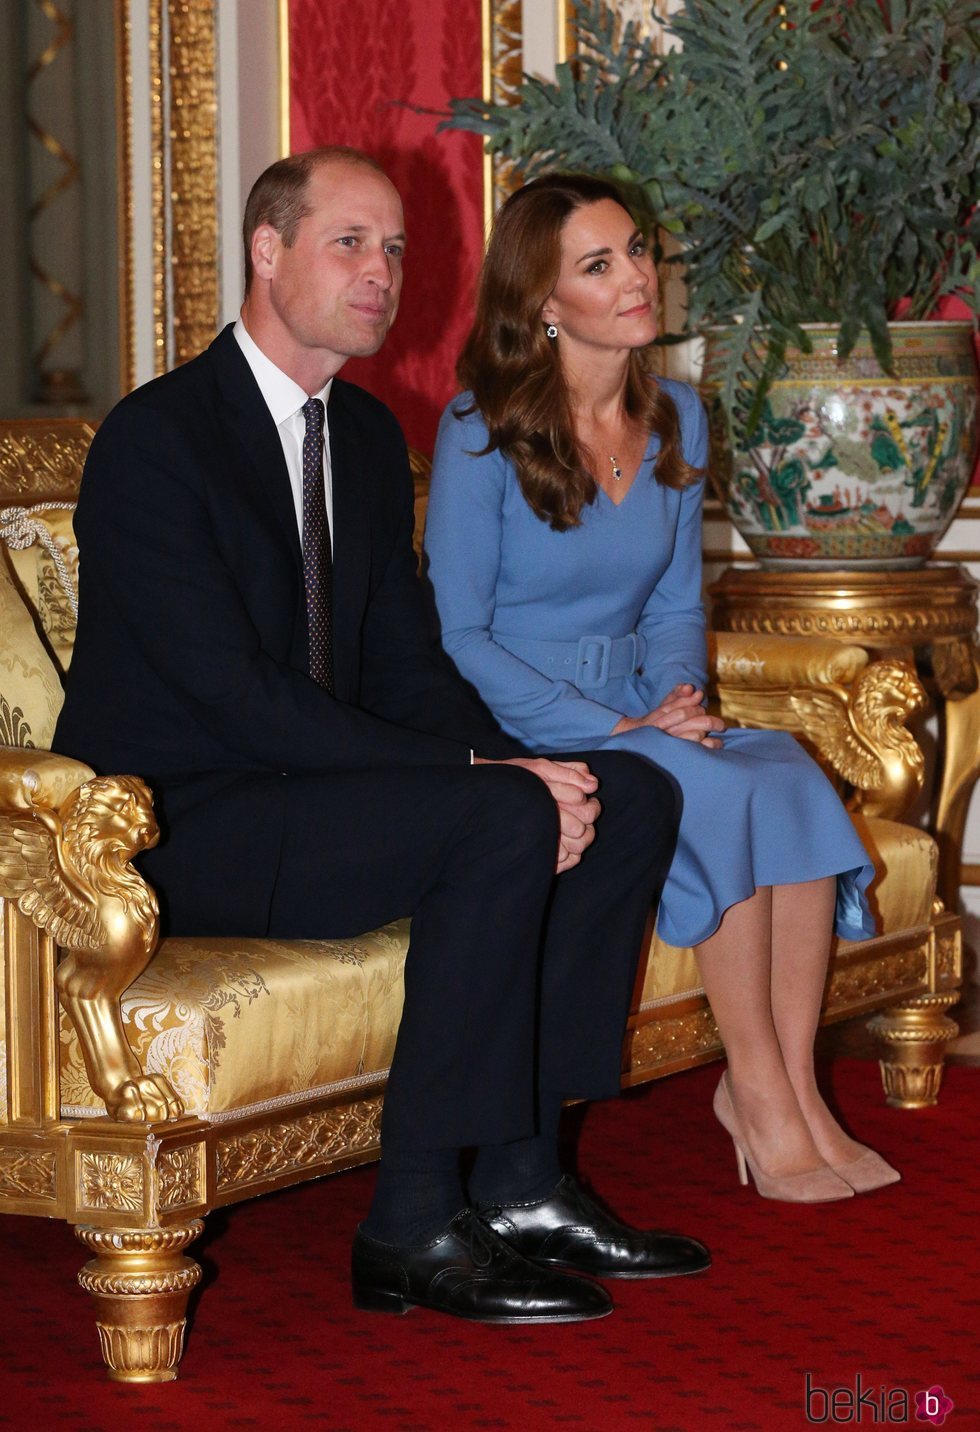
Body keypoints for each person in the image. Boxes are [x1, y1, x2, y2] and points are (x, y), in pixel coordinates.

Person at [54, 149, 710, 1326]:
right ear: (269, 250)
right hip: (178, 817)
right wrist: (479, 773)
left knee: (629, 796)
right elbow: (230, 694)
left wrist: (523, 761)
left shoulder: (360, 435)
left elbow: (409, 661)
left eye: (397, 249)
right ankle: (409, 1221)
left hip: (320, 798)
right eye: (351, 243)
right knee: (503, 807)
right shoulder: (158, 439)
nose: (381, 274)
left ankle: (520, 1176)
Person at [425, 173, 900, 1204]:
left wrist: (675, 702)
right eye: (599, 264)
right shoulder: (477, 430)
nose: (637, 275)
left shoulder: (676, 413)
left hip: (648, 707)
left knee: (786, 774)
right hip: (530, 719)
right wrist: (617, 725)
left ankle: (787, 1089)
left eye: (636, 250)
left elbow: (675, 609)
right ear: (543, 304)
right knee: (720, 789)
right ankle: (765, 1101)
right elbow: (460, 637)